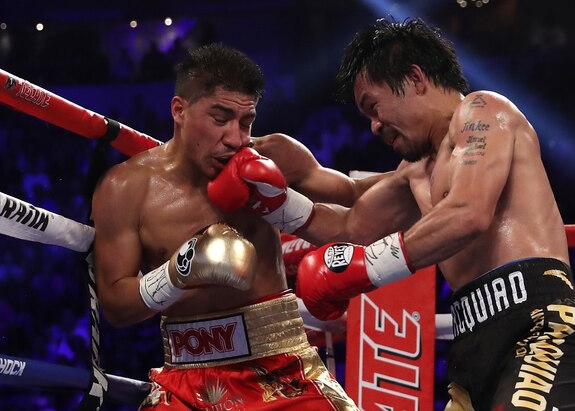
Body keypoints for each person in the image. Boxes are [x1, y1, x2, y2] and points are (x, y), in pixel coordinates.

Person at [211, 18, 575, 410]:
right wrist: (277, 201)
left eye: (374, 106)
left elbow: (468, 213)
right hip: (473, 348)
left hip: (539, 327)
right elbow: (350, 224)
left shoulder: (484, 111)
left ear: (415, 78)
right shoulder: (415, 173)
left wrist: (369, 267)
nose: (374, 125)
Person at [91, 42, 375, 410]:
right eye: (220, 118)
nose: (236, 138)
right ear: (179, 110)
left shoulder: (273, 157)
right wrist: (178, 273)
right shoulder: (125, 189)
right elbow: (114, 305)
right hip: (185, 381)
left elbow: (355, 194)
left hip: (282, 369)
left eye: (246, 121)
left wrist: (430, 169)